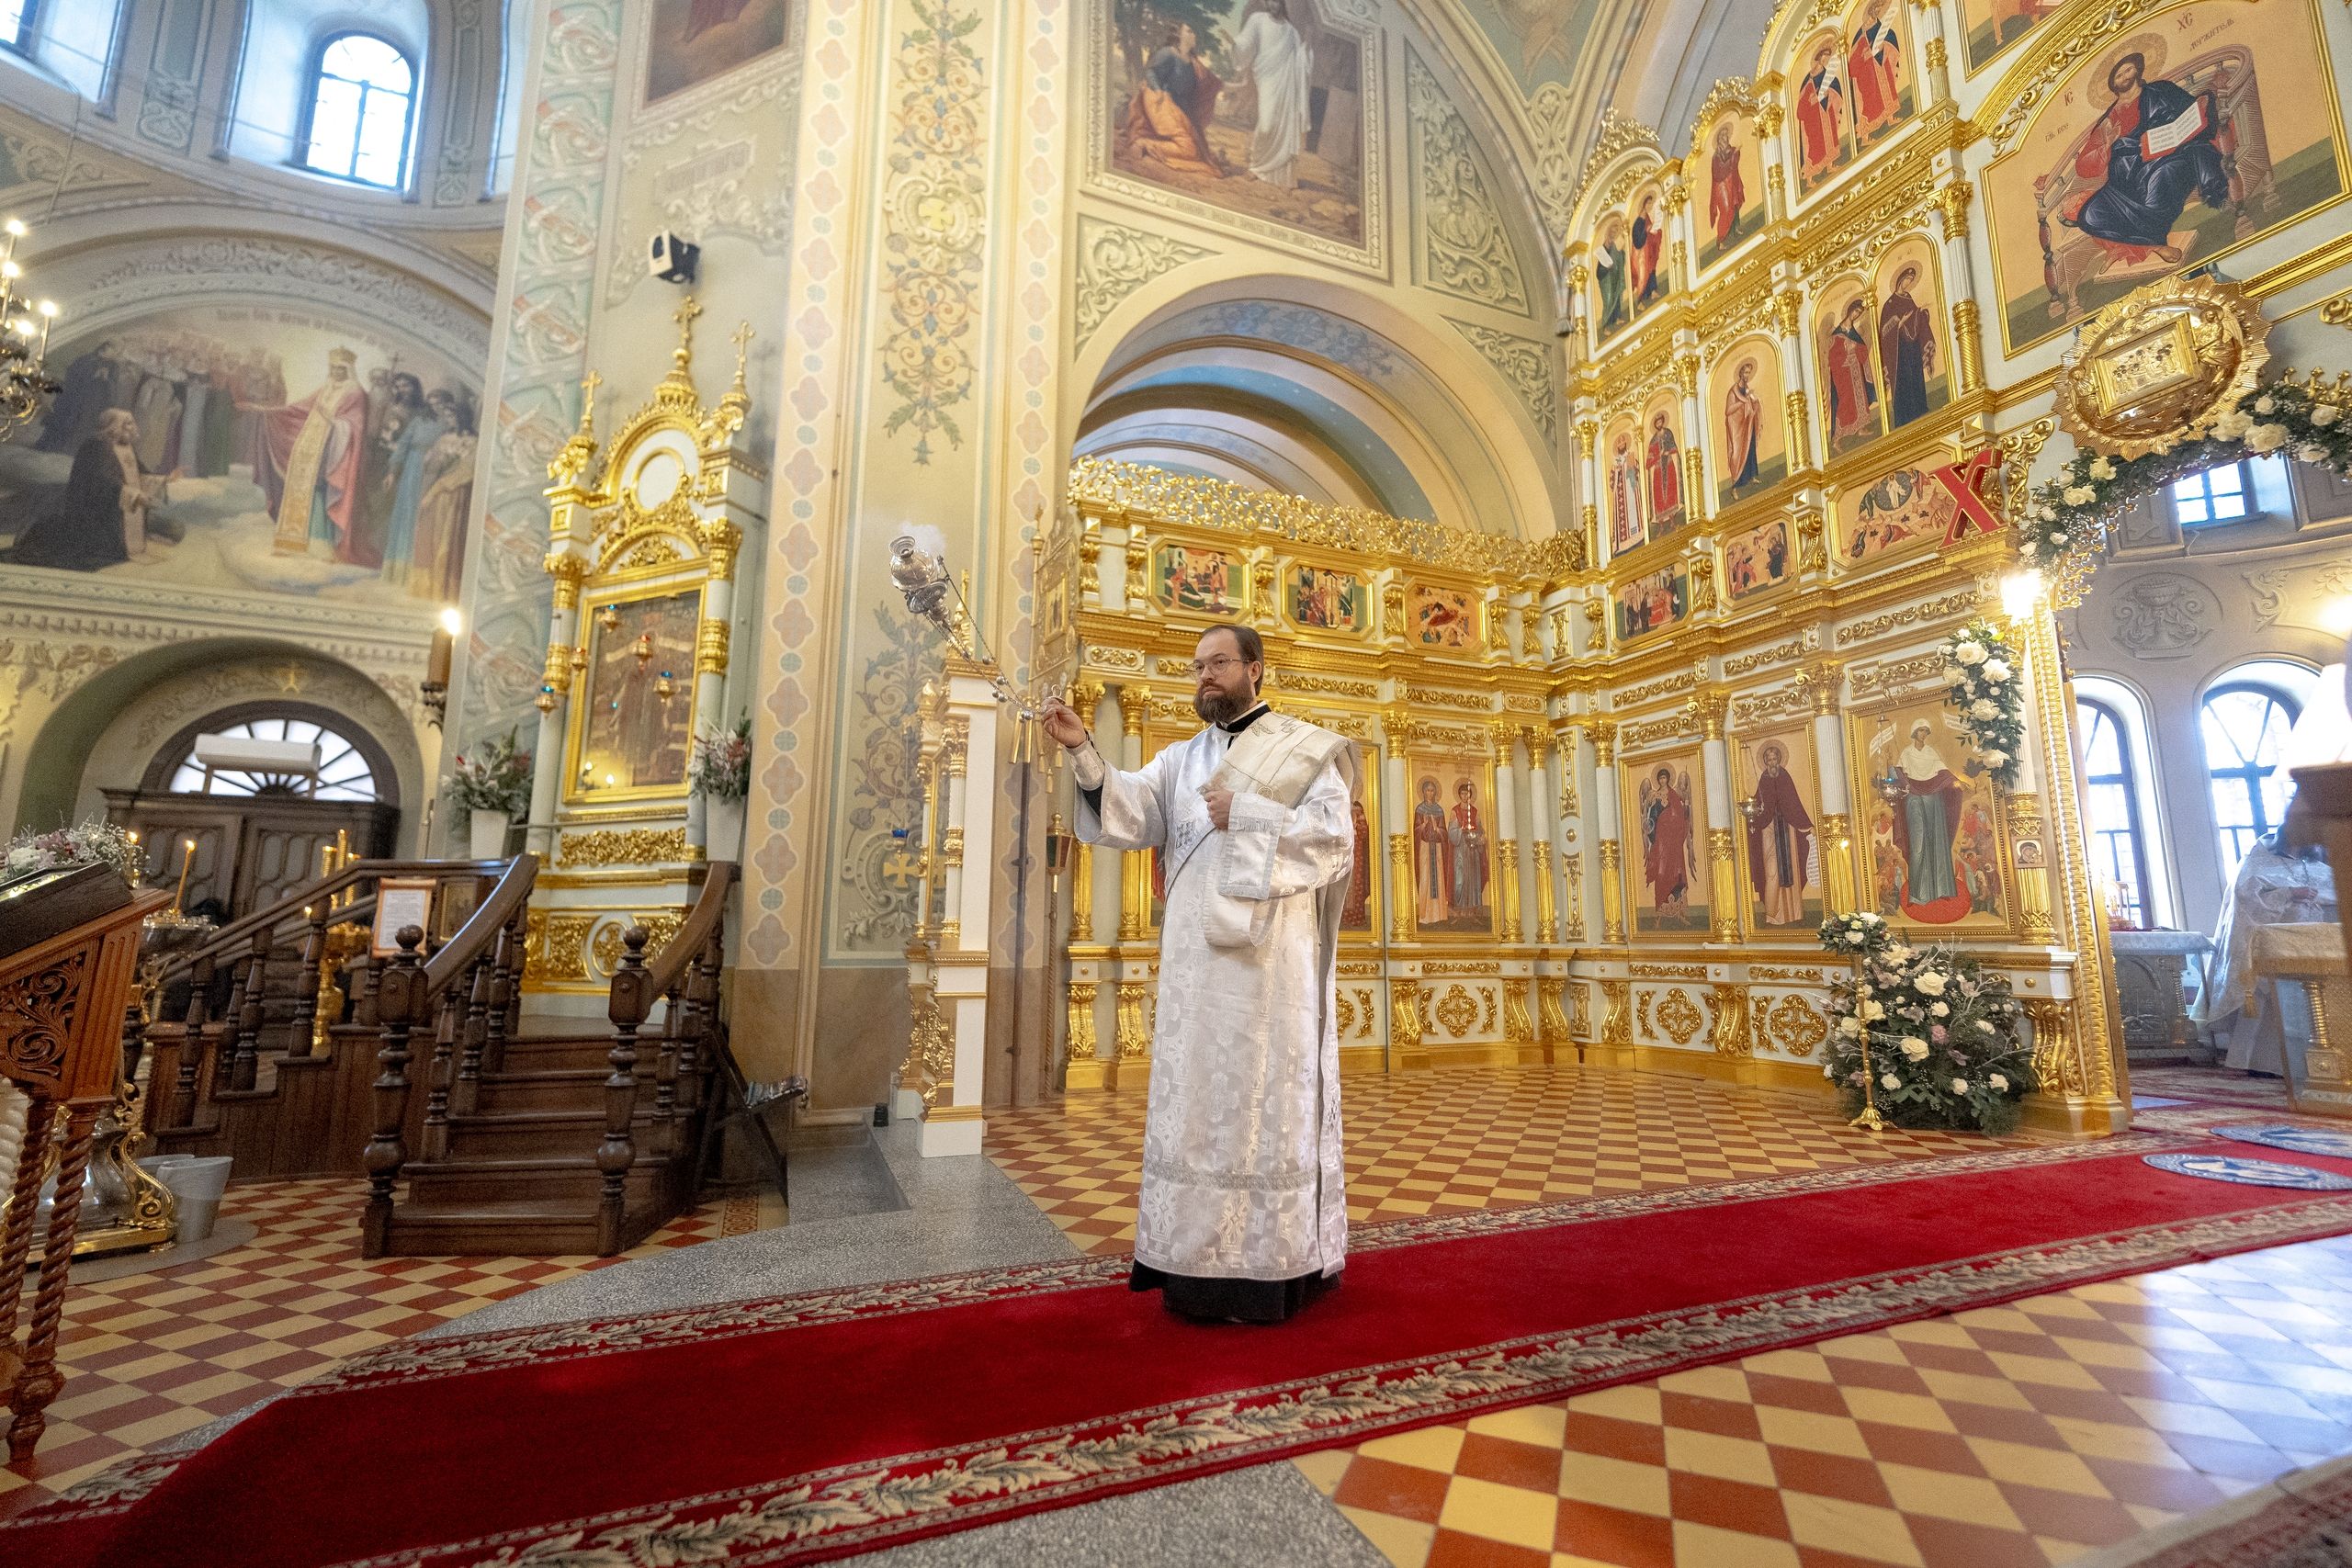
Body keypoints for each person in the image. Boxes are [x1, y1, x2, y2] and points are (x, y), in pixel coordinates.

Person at [1045, 624, 1356, 1323]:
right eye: (1197, 667)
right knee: (1196, 1108)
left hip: (1270, 974)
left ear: (1255, 669)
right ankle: (1192, 1267)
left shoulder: (1306, 750)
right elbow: (1130, 811)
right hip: (1195, 972)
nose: (1205, 676)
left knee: (1263, 1105)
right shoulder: (1182, 760)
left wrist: (1248, 813)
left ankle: (1271, 1270)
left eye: (1218, 663)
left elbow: (1335, 841)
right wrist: (1082, 748)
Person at [2201, 796, 2337, 1074]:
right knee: (2270, 996)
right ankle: (2258, 1062)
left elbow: (2335, 892)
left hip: (2313, 942)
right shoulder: (2258, 858)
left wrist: (2317, 899)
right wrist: (2288, 894)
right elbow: (2246, 897)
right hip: (2274, 944)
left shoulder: (2316, 863)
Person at [2064, 51, 2233, 265]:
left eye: (2128, 70)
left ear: (2137, 70)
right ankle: (2156, 244)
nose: (2125, 76)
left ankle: (2154, 240)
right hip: (2124, 182)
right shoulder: (2110, 118)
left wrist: (2203, 103)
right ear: (2113, 84)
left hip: (2170, 158)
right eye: (2118, 75)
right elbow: (2084, 166)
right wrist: (2107, 144)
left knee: (2162, 179)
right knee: (2091, 214)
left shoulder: (2162, 89)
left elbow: (2194, 112)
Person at [257, 347, 371, 562]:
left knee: (321, 491)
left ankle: (320, 545)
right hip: (311, 447)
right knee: (305, 490)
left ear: (348, 370)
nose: (336, 372)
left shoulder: (355, 393)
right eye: (333, 368)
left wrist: (334, 423)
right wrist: (270, 411)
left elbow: (355, 424)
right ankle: (292, 543)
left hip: (334, 452)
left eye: (341, 369)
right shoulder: (327, 388)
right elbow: (301, 408)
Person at [1116, 23, 1226, 178]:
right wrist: (1158, 90)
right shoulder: (1168, 53)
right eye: (1189, 31)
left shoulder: (1194, 63)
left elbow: (1214, 83)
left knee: (1197, 150)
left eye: (1194, 32)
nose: (1194, 35)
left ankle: (1153, 143)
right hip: (1159, 101)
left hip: (1178, 107)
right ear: (1178, 35)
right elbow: (1151, 72)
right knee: (1189, 148)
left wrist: (1241, 85)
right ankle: (1143, 144)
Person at [1883, 720, 1967, 921]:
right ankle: (1917, 894)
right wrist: (1890, 765)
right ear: (1914, 732)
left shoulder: (1931, 752)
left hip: (1934, 799)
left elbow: (1944, 774)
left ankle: (1942, 888)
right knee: (1918, 845)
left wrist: (1957, 782)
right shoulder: (1906, 753)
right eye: (1921, 730)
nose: (1924, 734)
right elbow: (1897, 775)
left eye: (1926, 731)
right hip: (1913, 799)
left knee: (1937, 841)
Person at [1227, 0, 1312, 189]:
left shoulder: (1291, 31)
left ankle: (1279, 174)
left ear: (1281, 3)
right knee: (1266, 125)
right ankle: (1256, 166)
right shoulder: (1257, 19)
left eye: (1274, 1)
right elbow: (1246, 42)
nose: (1270, 4)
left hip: (1286, 82)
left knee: (1282, 124)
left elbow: (1299, 60)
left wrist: (1306, 54)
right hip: (1266, 77)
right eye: (1268, 1)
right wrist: (1235, 44)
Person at [1747, 741, 1814, 926]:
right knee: (1771, 872)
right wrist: (1751, 809)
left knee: (1791, 869)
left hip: (1787, 831)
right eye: (1768, 760)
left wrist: (1807, 826)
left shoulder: (1785, 777)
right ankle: (1771, 914)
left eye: (1774, 759)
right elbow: (1759, 805)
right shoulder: (1763, 780)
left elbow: (1794, 804)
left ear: (1779, 760)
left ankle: (1792, 913)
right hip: (1768, 831)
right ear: (1765, 762)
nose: (1772, 763)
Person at [1877, 265, 1939, 428]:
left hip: (1912, 346)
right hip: (1899, 350)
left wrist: (1921, 312)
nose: (1908, 283)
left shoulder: (1908, 297)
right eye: (1906, 280)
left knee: (1916, 375)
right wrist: (1901, 322)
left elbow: (1914, 316)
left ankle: (1919, 408)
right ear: (1900, 280)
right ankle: (1905, 415)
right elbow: (1884, 332)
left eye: (1910, 281)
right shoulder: (1889, 304)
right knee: (1904, 379)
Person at [1824, 297, 1879, 453]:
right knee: (1845, 402)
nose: (1856, 315)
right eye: (1855, 311)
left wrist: (1855, 347)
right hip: (1843, 375)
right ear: (1849, 311)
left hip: (1856, 372)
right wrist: (1846, 351)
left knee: (1859, 398)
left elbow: (1863, 349)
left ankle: (1861, 428)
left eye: (1859, 313)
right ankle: (1837, 439)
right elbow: (1832, 358)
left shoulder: (1853, 333)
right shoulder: (1837, 334)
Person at [1848, 0, 1904, 143]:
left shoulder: (1881, 27)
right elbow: (1852, 63)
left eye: (1880, 9)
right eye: (1876, 9)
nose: (1878, 11)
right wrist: (1865, 56)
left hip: (1881, 66)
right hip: (1867, 74)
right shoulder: (1861, 34)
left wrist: (1884, 45)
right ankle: (1865, 137)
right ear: (1870, 11)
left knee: (1888, 90)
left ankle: (1890, 118)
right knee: (1869, 102)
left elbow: (1889, 38)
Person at [1644, 766, 1694, 923]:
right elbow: (1651, 819)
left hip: (1674, 842)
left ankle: (1680, 913)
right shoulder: (1655, 797)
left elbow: (1682, 816)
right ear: (1658, 780)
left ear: (1668, 779)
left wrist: (1686, 805)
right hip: (1661, 841)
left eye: (1665, 778)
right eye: (1660, 778)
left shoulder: (1674, 795)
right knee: (1661, 874)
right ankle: (1659, 914)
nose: (1662, 781)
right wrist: (1650, 830)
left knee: (1677, 874)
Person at [1797, 42, 1847, 181]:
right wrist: (1811, 101)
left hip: (1826, 112)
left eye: (1828, 58)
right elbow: (1801, 108)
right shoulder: (1808, 80)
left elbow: (1834, 86)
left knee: (1829, 137)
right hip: (1813, 118)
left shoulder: (1827, 75)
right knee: (1815, 146)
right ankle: (1810, 177)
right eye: (1824, 57)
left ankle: (1830, 165)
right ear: (1819, 58)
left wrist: (1829, 93)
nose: (1826, 60)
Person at [1413, 776, 1452, 923]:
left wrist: (1437, 829)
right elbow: (1416, 830)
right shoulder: (1420, 809)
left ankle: (1439, 914)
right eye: (1427, 790)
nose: (1430, 793)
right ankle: (1425, 916)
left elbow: (1444, 833)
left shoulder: (1439, 810)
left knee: (1438, 879)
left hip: (1437, 848)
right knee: (1425, 878)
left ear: (1435, 792)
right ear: (1423, 792)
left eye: (1432, 790)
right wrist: (1423, 825)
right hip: (1424, 847)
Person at [1724, 358, 1763, 497]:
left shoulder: (1746, 388)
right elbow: (1728, 411)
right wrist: (1743, 401)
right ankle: (1735, 485)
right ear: (1741, 373)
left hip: (1747, 423)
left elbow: (1750, 403)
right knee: (1736, 454)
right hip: (1736, 427)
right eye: (1746, 372)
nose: (1747, 375)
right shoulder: (1733, 392)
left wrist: (1755, 402)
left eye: (1749, 373)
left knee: (1750, 448)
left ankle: (1752, 476)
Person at [1449, 780, 1487, 919]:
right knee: (1460, 879)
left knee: (1473, 879)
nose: (1465, 796)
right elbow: (1451, 832)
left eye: (1467, 794)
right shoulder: (1455, 811)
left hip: (1472, 850)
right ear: (1459, 795)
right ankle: (1459, 911)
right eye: (1463, 793)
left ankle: (1472, 911)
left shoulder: (1475, 811)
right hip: (1460, 849)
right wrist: (1461, 830)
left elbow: (1480, 829)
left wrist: (1479, 837)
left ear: (1470, 795)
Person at [1644, 410, 1684, 541]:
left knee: (1671, 491)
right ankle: (1661, 525)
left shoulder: (1668, 433)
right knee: (1659, 497)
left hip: (1669, 465)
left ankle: (1672, 520)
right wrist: (1658, 456)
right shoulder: (1653, 440)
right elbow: (1648, 462)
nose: (1659, 424)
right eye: (1657, 423)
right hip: (1658, 470)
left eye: (1661, 421)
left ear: (1663, 422)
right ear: (1655, 425)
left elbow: (1674, 447)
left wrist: (1668, 453)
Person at [1707, 122, 1746, 254]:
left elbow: (1734, 162)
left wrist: (1735, 154)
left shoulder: (1730, 150)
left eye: (1726, 135)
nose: (1726, 137)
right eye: (1723, 135)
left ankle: (1735, 228)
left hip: (1731, 182)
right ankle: (1721, 240)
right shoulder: (1716, 157)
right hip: (1721, 186)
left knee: (1735, 204)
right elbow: (1720, 171)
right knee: (1727, 210)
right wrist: (1734, 155)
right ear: (1719, 139)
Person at [1606, 429, 1643, 553]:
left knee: (1633, 514)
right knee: (1624, 517)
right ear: (1617, 447)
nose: (1621, 445)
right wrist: (1616, 471)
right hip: (1621, 495)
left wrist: (1633, 467)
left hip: (1631, 490)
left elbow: (1637, 471)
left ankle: (1637, 535)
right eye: (1619, 444)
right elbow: (1612, 483)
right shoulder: (1616, 462)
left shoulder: (1631, 456)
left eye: (1623, 443)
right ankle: (1624, 542)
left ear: (1626, 444)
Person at [1629, 193, 1667, 310]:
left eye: (1651, 203)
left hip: (1649, 252)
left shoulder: (1647, 219)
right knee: (1642, 276)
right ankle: (1639, 301)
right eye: (1648, 203)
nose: (1650, 205)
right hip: (1640, 256)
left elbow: (1650, 235)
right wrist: (1646, 231)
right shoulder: (1638, 223)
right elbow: (1637, 242)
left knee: (1652, 270)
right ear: (1644, 205)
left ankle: (1653, 291)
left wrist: (1656, 232)